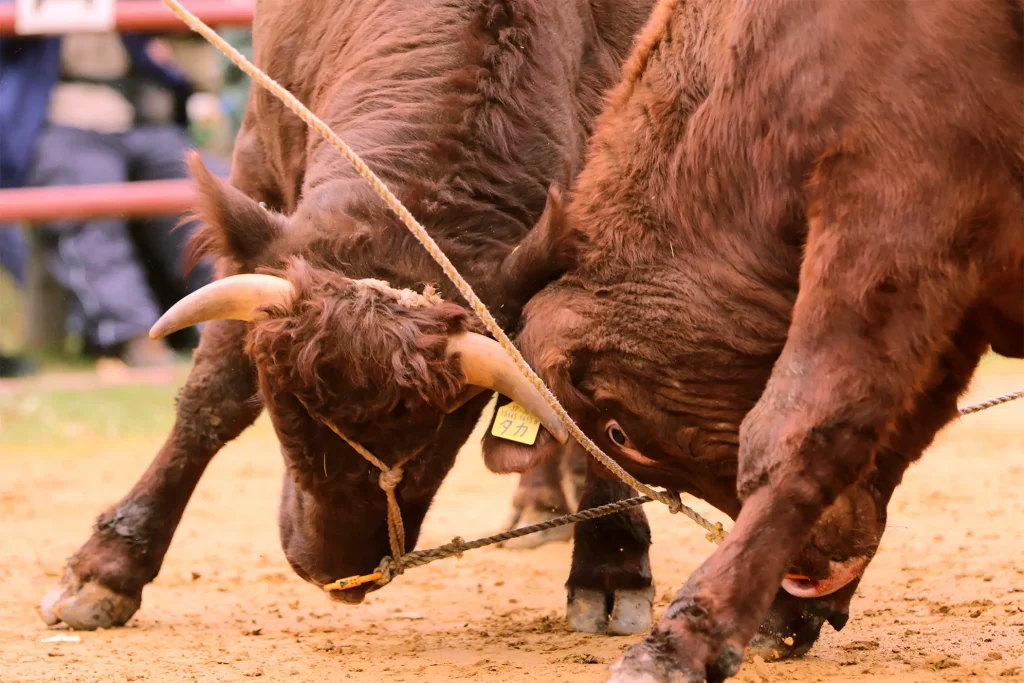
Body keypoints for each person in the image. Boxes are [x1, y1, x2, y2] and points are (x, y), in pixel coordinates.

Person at [0, 14, 220, 368]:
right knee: (86, 202)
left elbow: (187, 24)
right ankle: (136, 337)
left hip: (146, 117)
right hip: (60, 120)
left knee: (210, 197)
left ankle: (231, 326)